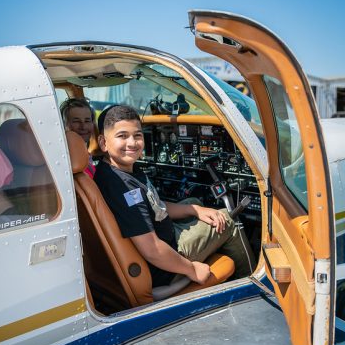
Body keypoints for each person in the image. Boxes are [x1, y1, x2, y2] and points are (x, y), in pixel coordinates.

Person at [94, 105, 255, 288]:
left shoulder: (111, 170)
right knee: (228, 219)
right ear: (103, 142)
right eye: (122, 136)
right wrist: (192, 269)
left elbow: (154, 205)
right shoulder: (125, 188)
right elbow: (152, 249)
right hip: (165, 263)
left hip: (164, 236)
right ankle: (250, 281)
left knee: (194, 203)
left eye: (137, 135)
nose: (132, 143)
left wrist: (194, 210)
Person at [61, 98, 96, 178]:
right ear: (64, 125)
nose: (83, 127)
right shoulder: (67, 162)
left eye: (87, 121)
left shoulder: (87, 157)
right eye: (76, 121)